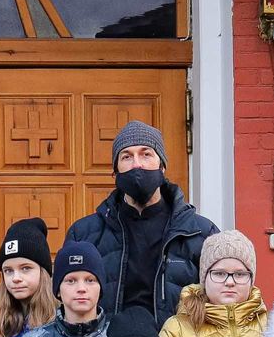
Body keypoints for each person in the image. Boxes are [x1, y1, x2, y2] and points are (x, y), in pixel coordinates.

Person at [67, 120, 217, 321]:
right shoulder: (84, 234)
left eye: (146, 154)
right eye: (126, 156)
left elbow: (220, 305)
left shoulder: (201, 233)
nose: (137, 164)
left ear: (162, 166)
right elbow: (67, 302)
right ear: (115, 171)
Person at [160, 230, 270, 337]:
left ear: (251, 279)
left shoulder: (272, 326)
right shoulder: (178, 328)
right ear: (204, 277)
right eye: (219, 273)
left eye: (240, 274)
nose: (230, 281)